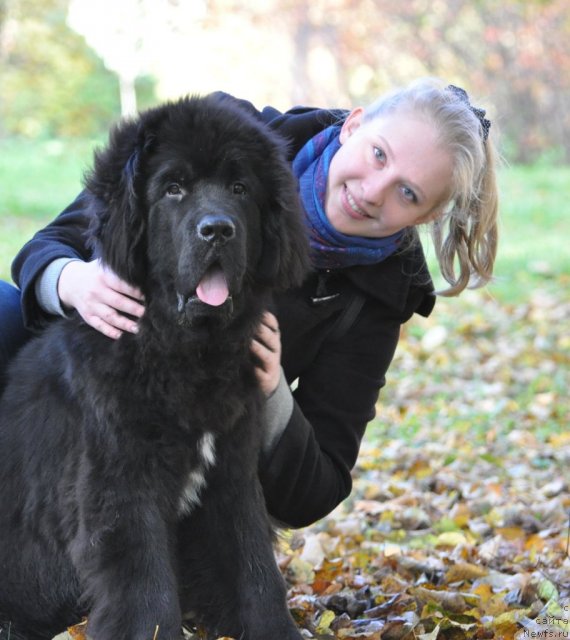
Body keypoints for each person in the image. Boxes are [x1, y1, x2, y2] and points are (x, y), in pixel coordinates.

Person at [0, 78, 498, 528]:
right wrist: (72, 280)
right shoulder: (224, 133)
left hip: (190, 467)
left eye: (407, 193)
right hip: (78, 400)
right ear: (355, 124)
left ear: (425, 217)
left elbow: (317, 490)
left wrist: (270, 386)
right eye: (379, 155)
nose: (372, 192)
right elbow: (47, 246)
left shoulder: (378, 297)